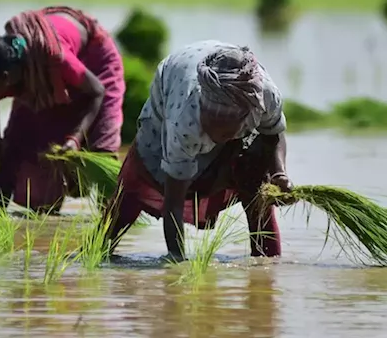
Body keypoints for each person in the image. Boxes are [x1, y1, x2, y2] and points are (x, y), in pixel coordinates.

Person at [102, 40, 292, 261]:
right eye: (211, 120)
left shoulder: (265, 97)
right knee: (141, 178)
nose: (216, 131)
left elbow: (273, 133)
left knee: (255, 177)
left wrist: (279, 174)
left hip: (230, 90)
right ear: (203, 108)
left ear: (243, 117)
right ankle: (99, 248)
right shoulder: (184, 119)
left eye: (225, 125)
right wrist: (176, 260)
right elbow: (173, 204)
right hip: (171, 89)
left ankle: (267, 261)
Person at [0, 6, 125, 215]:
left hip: (94, 64)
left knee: (102, 154)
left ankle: (113, 225)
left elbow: (97, 92)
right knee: (20, 156)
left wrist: (75, 138)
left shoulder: (55, 58)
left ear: (5, 79)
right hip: (43, 74)